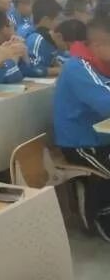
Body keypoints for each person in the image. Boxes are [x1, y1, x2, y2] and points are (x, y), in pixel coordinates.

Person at [55, 15, 110, 240]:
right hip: (81, 143)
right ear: (98, 44)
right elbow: (106, 103)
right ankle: (99, 217)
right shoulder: (78, 67)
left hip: (103, 137)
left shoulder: (102, 63)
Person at [24, 0, 66, 78]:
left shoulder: (50, 38)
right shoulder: (35, 38)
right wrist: (58, 70)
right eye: (58, 19)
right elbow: (30, 69)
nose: (60, 23)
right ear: (46, 20)